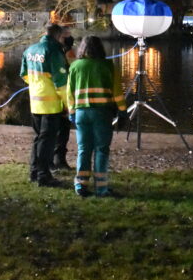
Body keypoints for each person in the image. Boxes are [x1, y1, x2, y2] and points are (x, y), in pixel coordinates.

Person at [66, 36, 127, 197]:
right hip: (102, 113)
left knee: (83, 149)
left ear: (82, 49)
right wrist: (122, 111)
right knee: (101, 149)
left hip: (81, 113)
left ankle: (81, 184)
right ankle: (101, 188)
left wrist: (72, 112)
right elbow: (117, 92)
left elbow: (69, 93)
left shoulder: (75, 66)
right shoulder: (108, 66)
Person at [20, 23, 68, 187]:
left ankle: (34, 172)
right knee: (47, 141)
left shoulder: (30, 50)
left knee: (38, 138)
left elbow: (24, 75)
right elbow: (61, 83)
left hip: (35, 102)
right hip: (51, 104)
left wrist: (38, 86)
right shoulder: (54, 51)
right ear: (57, 35)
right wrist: (68, 105)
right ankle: (43, 175)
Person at [52, 27, 77, 171]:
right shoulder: (67, 53)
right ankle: (59, 160)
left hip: (52, 97)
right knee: (62, 131)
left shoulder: (54, 52)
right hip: (63, 97)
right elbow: (74, 71)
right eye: (66, 36)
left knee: (55, 131)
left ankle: (55, 160)